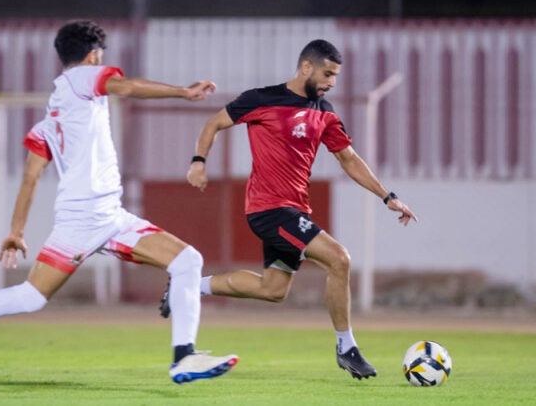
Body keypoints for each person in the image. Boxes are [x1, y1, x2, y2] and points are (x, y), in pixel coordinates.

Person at [0, 20, 238, 385]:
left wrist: (16, 231)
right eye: (101, 57)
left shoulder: (52, 116)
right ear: (93, 55)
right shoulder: (82, 78)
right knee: (31, 297)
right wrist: (183, 92)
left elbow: (30, 177)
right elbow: (127, 87)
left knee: (187, 261)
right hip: (84, 220)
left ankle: (184, 357)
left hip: (109, 216)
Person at [160, 39, 417, 380]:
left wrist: (387, 197)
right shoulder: (261, 99)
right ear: (306, 67)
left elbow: (348, 159)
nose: (332, 82)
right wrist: (198, 162)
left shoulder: (324, 112)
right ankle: (347, 348)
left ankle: (188, 287)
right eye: (328, 73)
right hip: (270, 210)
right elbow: (213, 124)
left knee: (273, 290)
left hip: (295, 211)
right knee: (339, 259)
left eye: (336, 75)